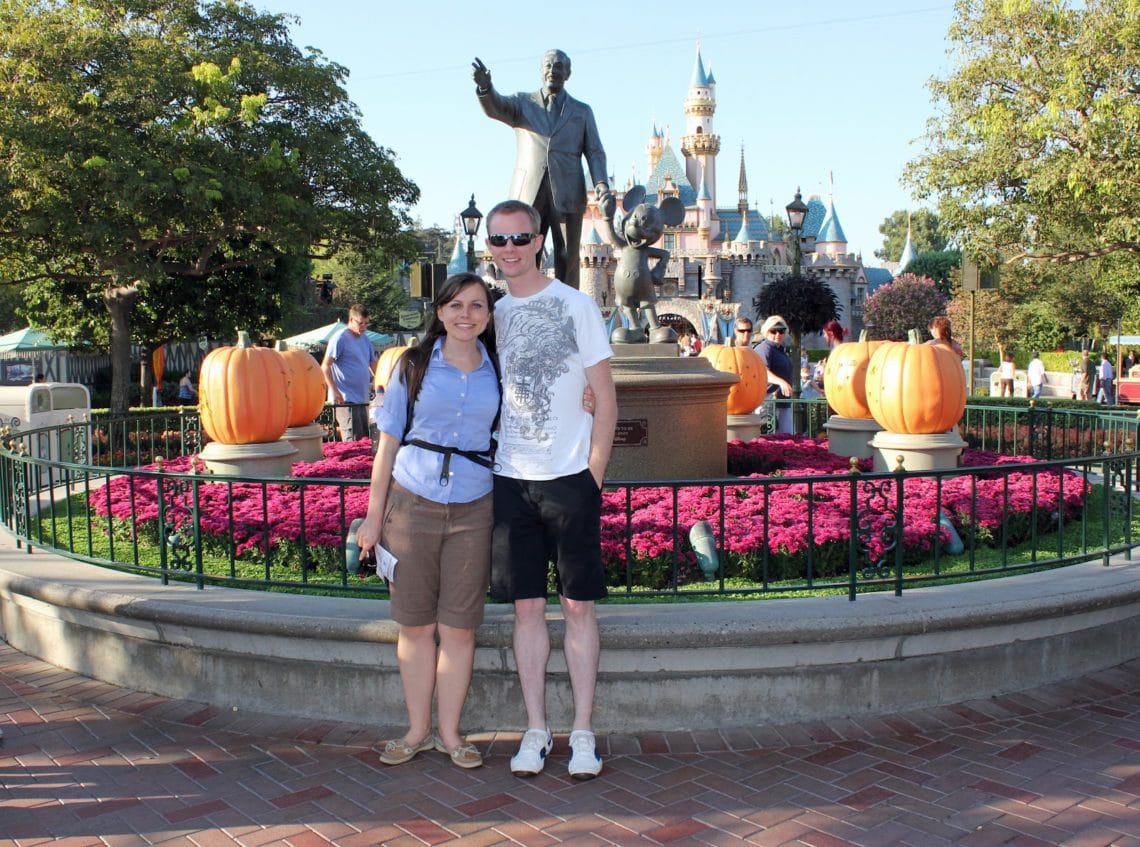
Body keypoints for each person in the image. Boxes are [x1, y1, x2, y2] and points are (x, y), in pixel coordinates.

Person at [483, 199, 617, 780]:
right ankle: (536, 730)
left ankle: (583, 732)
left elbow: (606, 397)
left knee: (577, 607)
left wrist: (594, 476)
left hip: (568, 479)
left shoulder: (576, 306)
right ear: (489, 245)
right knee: (527, 610)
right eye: (498, 240)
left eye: (519, 238)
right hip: (512, 479)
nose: (509, 249)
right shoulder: (490, 314)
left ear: (538, 240)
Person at [353, 273, 501, 771]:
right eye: (456, 305)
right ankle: (417, 730)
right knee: (416, 626)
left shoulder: (497, 370)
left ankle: (450, 732)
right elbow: (387, 445)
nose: (466, 315)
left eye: (477, 306)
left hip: (473, 505)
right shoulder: (412, 366)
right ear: (439, 311)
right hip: (412, 502)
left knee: (459, 629)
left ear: (487, 314)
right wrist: (373, 519)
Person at [472, 50, 616, 290]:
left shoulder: (582, 111)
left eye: (559, 66)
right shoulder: (522, 103)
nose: (553, 70)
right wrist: (486, 89)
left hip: (568, 193)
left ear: (567, 73)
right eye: (548, 65)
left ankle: (568, 309)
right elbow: (495, 107)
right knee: (524, 253)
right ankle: (524, 302)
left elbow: (595, 152)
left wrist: (601, 184)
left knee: (567, 257)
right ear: (541, 71)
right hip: (528, 192)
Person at [321, 304, 378, 441]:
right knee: (352, 441)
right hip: (345, 400)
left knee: (364, 442)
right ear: (351, 319)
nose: (363, 326)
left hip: (362, 400)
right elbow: (325, 366)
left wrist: (382, 384)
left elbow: (374, 365)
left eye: (366, 323)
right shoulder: (340, 338)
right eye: (360, 323)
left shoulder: (365, 339)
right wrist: (334, 391)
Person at [754, 315, 794, 433]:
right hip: (767, 400)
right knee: (769, 438)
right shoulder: (764, 348)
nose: (778, 334)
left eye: (781, 331)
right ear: (766, 332)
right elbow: (763, 371)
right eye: (773, 331)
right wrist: (781, 382)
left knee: (786, 437)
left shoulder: (780, 349)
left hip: (781, 402)